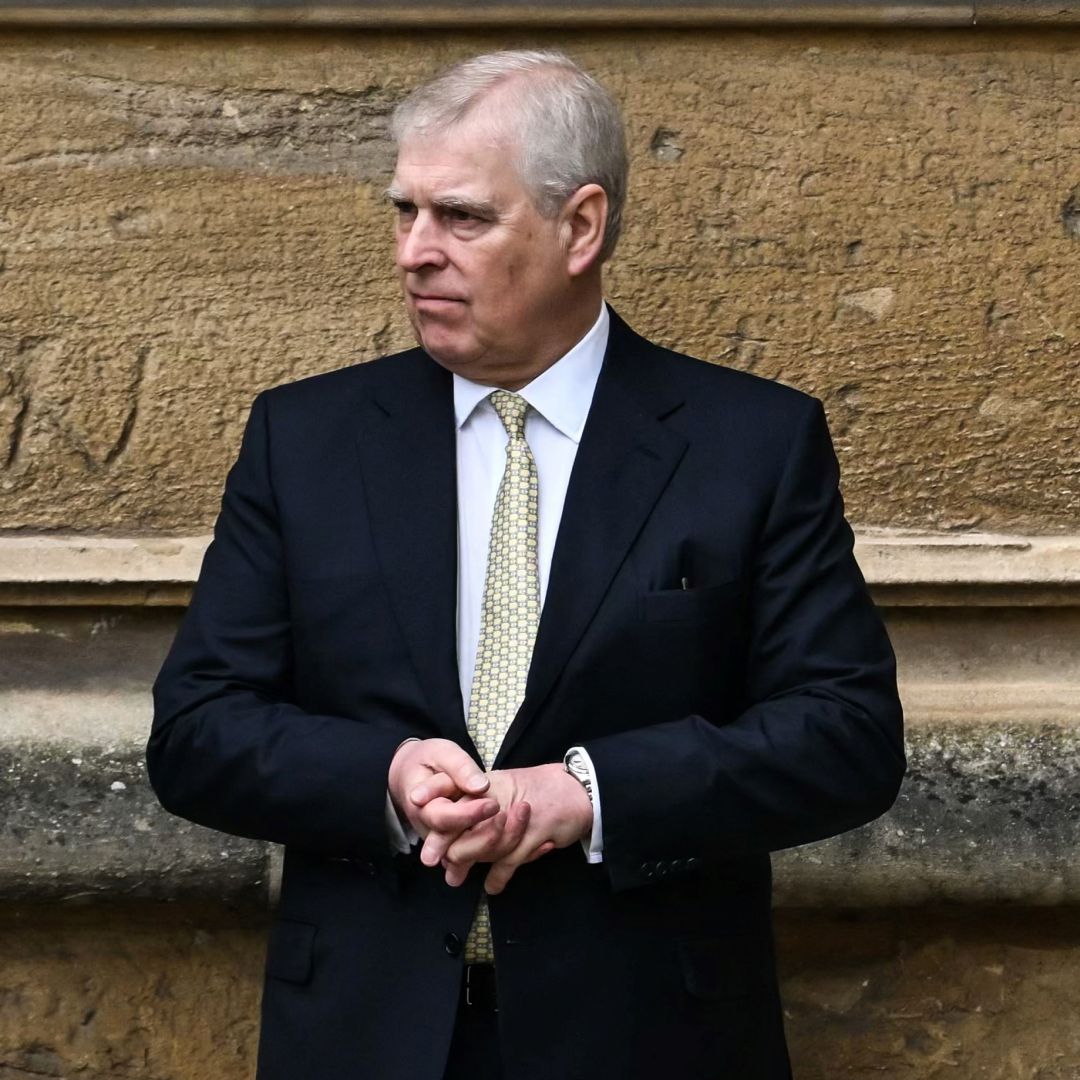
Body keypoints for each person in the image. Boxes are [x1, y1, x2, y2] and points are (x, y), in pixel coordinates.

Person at [147, 49, 905, 1080]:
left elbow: (847, 737)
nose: (415, 251)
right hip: (366, 1038)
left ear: (580, 227)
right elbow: (198, 730)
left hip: (649, 1039)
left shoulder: (749, 446)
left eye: (461, 217)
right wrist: (386, 777)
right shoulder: (307, 440)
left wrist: (590, 795)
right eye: (403, 211)